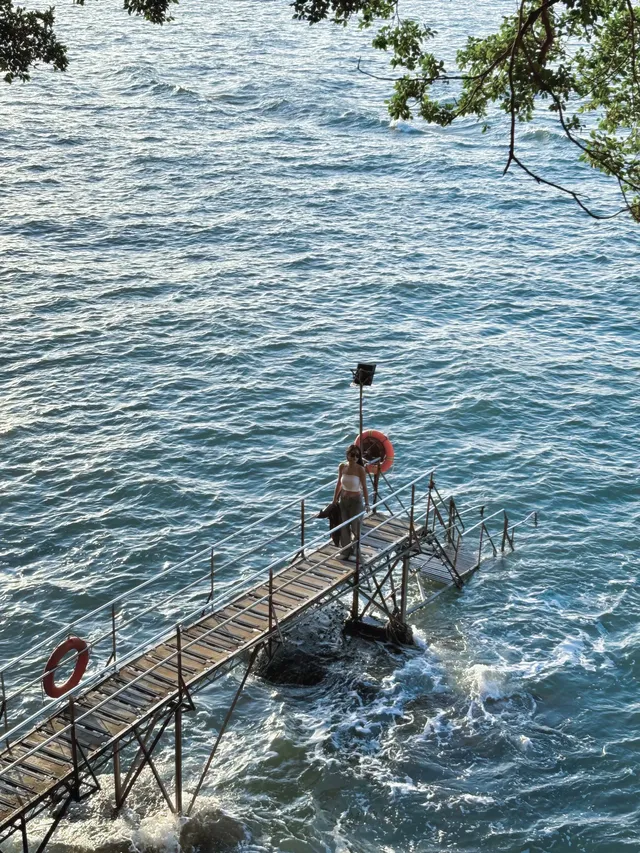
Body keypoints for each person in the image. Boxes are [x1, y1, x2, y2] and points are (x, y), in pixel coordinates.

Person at [333, 444, 370, 559]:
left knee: (355, 527)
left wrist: (367, 503)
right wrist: (334, 499)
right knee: (344, 526)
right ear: (347, 455)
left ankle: (355, 552)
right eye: (352, 455)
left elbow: (364, 487)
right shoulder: (342, 467)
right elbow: (339, 484)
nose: (355, 458)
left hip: (356, 501)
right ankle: (345, 551)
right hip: (343, 500)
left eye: (357, 456)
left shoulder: (360, 470)